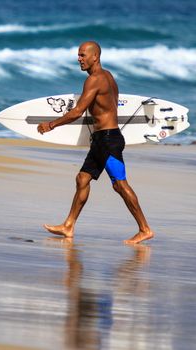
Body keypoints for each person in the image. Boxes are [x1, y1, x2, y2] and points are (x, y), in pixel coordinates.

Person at [37, 41, 154, 245]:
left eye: (83, 55)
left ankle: (145, 229)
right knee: (82, 179)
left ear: (95, 57)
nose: (79, 59)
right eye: (79, 55)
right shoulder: (108, 76)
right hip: (102, 139)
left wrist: (51, 124)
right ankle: (69, 226)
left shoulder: (95, 79)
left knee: (119, 184)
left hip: (108, 140)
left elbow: (77, 111)